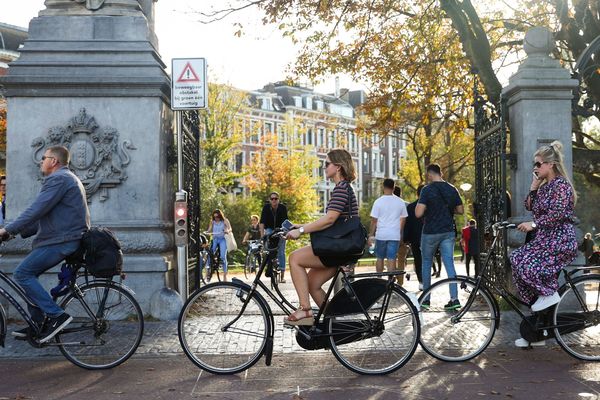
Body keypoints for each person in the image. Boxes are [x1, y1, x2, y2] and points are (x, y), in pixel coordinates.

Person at [2, 146, 90, 343]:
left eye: (44, 158)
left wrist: (8, 230)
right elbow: (46, 217)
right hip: (66, 238)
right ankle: (38, 323)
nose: (40, 161)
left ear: (54, 161)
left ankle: (57, 316)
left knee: (22, 273)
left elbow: (36, 210)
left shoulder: (58, 179)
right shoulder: (68, 178)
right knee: (28, 274)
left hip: (63, 241)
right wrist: (13, 234)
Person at [510, 141, 578, 347]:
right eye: (534, 165)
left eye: (539, 164)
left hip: (559, 241)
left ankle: (548, 295)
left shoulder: (562, 186)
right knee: (516, 259)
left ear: (551, 164)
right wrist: (533, 187)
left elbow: (558, 215)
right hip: (545, 240)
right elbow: (529, 206)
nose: (535, 168)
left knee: (527, 265)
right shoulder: (545, 186)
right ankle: (537, 331)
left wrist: (534, 224)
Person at [283, 149, 360, 325]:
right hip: (340, 248)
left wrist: (301, 231)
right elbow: (331, 220)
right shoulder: (343, 188)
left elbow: (330, 219)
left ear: (338, 167)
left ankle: (305, 310)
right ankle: (334, 325)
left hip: (338, 249)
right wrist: (300, 226)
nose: (324, 168)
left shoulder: (342, 189)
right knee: (311, 284)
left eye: (327, 164)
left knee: (294, 258)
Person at [416, 164, 464, 310]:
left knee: (426, 263)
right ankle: (454, 299)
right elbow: (460, 210)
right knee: (449, 263)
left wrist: (429, 210)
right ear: (440, 173)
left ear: (429, 174)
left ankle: (425, 299)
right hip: (447, 231)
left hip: (430, 231)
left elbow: (418, 213)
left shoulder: (427, 190)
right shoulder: (451, 188)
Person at [368, 179, 407, 276]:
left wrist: (371, 235)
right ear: (393, 187)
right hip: (394, 235)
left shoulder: (378, 202)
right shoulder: (400, 202)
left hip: (381, 235)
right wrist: (399, 231)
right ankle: (390, 283)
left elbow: (374, 221)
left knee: (380, 258)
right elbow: (403, 219)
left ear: (383, 187)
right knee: (392, 258)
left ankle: (379, 280)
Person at [260, 191, 289, 283]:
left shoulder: (282, 208)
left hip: (280, 229)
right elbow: (262, 223)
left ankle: (282, 276)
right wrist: (262, 236)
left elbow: (286, 222)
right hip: (269, 229)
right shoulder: (266, 208)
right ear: (269, 200)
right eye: (272, 199)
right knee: (268, 249)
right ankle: (269, 266)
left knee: (281, 251)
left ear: (278, 200)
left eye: (276, 199)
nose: (274, 200)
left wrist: (285, 233)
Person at [404, 184, 425, 290]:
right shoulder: (429, 205)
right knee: (426, 259)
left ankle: (421, 281)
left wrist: (406, 238)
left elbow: (407, 224)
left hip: (415, 238)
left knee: (417, 259)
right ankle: (425, 280)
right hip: (427, 236)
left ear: (417, 194)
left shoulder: (411, 207)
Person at [207, 209, 232, 281]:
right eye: (214, 217)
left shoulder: (225, 220)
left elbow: (230, 228)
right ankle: (209, 270)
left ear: (220, 216)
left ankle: (225, 275)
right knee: (209, 254)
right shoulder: (212, 222)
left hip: (222, 239)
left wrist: (227, 230)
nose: (216, 218)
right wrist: (206, 232)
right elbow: (209, 229)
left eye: (217, 216)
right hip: (215, 239)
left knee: (223, 257)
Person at [393, 186, 410, 286]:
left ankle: (393, 277)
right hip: (403, 236)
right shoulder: (407, 205)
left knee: (391, 258)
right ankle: (400, 282)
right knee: (401, 260)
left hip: (390, 235)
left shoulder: (387, 204)